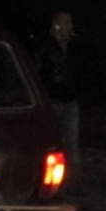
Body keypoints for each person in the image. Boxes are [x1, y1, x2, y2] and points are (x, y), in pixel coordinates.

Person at [36, 11, 82, 192]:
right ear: (54, 26)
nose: (65, 27)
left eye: (68, 23)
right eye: (61, 23)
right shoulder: (45, 46)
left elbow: (84, 72)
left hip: (71, 101)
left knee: (71, 145)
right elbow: (37, 72)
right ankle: (44, 183)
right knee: (50, 144)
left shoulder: (76, 47)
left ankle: (71, 184)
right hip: (51, 101)